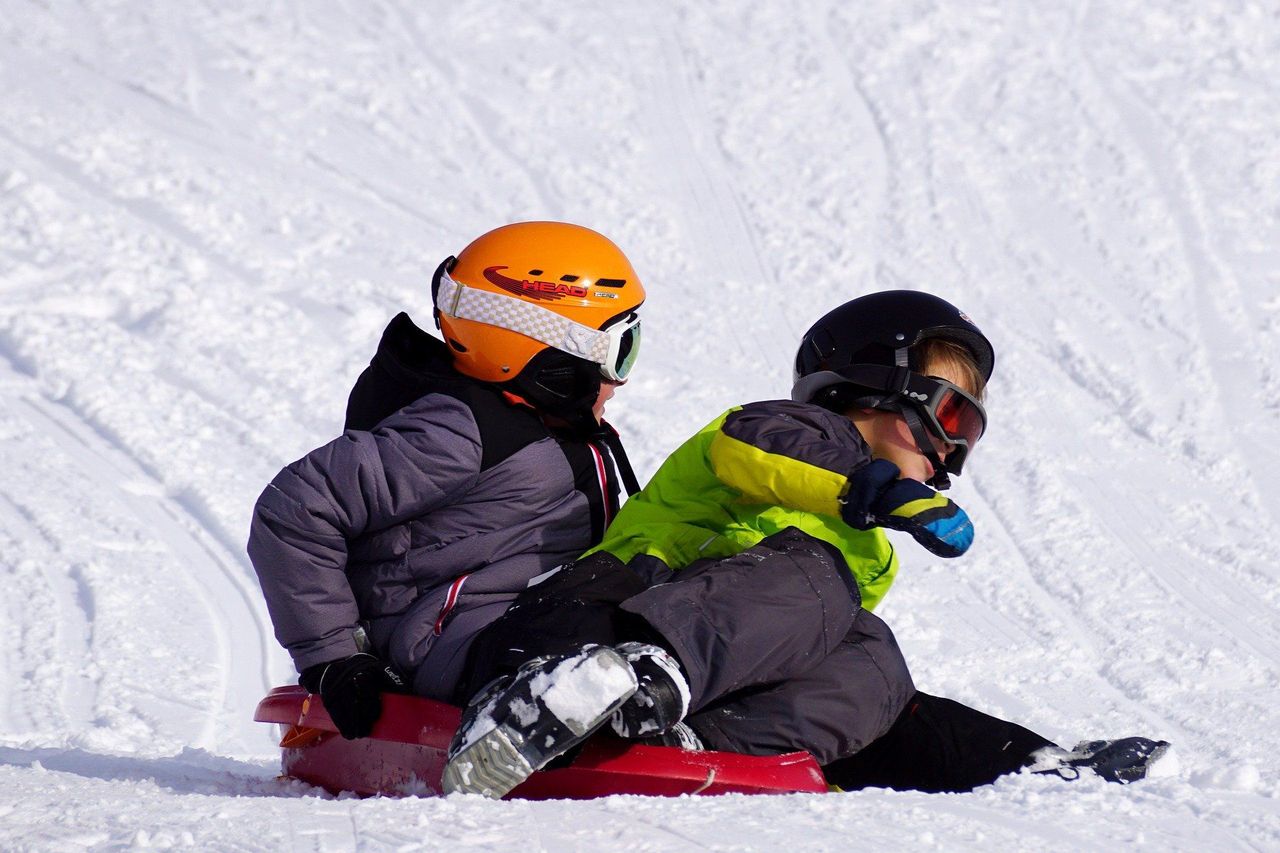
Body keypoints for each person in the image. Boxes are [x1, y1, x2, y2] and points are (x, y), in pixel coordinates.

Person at [443, 290, 1168, 797]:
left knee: (873, 662)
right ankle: (610, 681)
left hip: (691, 691)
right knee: (820, 581)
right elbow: (774, 450)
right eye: (950, 414)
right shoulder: (789, 434)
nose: (952, 451)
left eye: (969, 435)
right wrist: (866, 483)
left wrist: (1025, 758)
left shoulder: (867, 554)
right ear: (874, 388)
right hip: (588, 625)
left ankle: (677, 736)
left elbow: (890, 712)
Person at [247, 221, 647, 739]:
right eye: (621, 349)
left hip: (528, 612)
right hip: (450, 642)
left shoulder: (546, 421)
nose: (621, 380)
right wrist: (334, 660)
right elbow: (295, 508)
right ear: (546, 349)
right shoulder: (456, 433)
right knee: (602, 636)